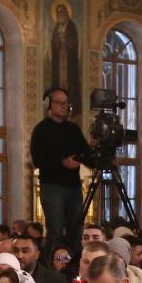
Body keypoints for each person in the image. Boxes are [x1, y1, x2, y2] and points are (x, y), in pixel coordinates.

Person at [31, 88, 88, 253]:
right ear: (49, 105)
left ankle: (75, 266)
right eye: (59, 103)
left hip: (74, 186)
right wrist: (62, 163)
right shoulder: (41, 130)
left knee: (76, 230)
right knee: (55, 231)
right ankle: (54, 267)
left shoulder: (73, 129)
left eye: (66, 103)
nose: (64, 106)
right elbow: (38, 159)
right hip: (52, 186)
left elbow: (84, 152)